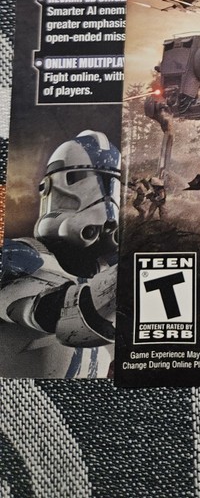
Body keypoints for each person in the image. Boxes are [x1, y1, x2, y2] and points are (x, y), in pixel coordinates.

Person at [0, 130, 120, 378]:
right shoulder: (20, 257)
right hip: (24, 398)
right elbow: (62, 316)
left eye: (113, 183)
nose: (105, 199)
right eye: (81, 178)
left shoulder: (109, 269)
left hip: (87, 400)